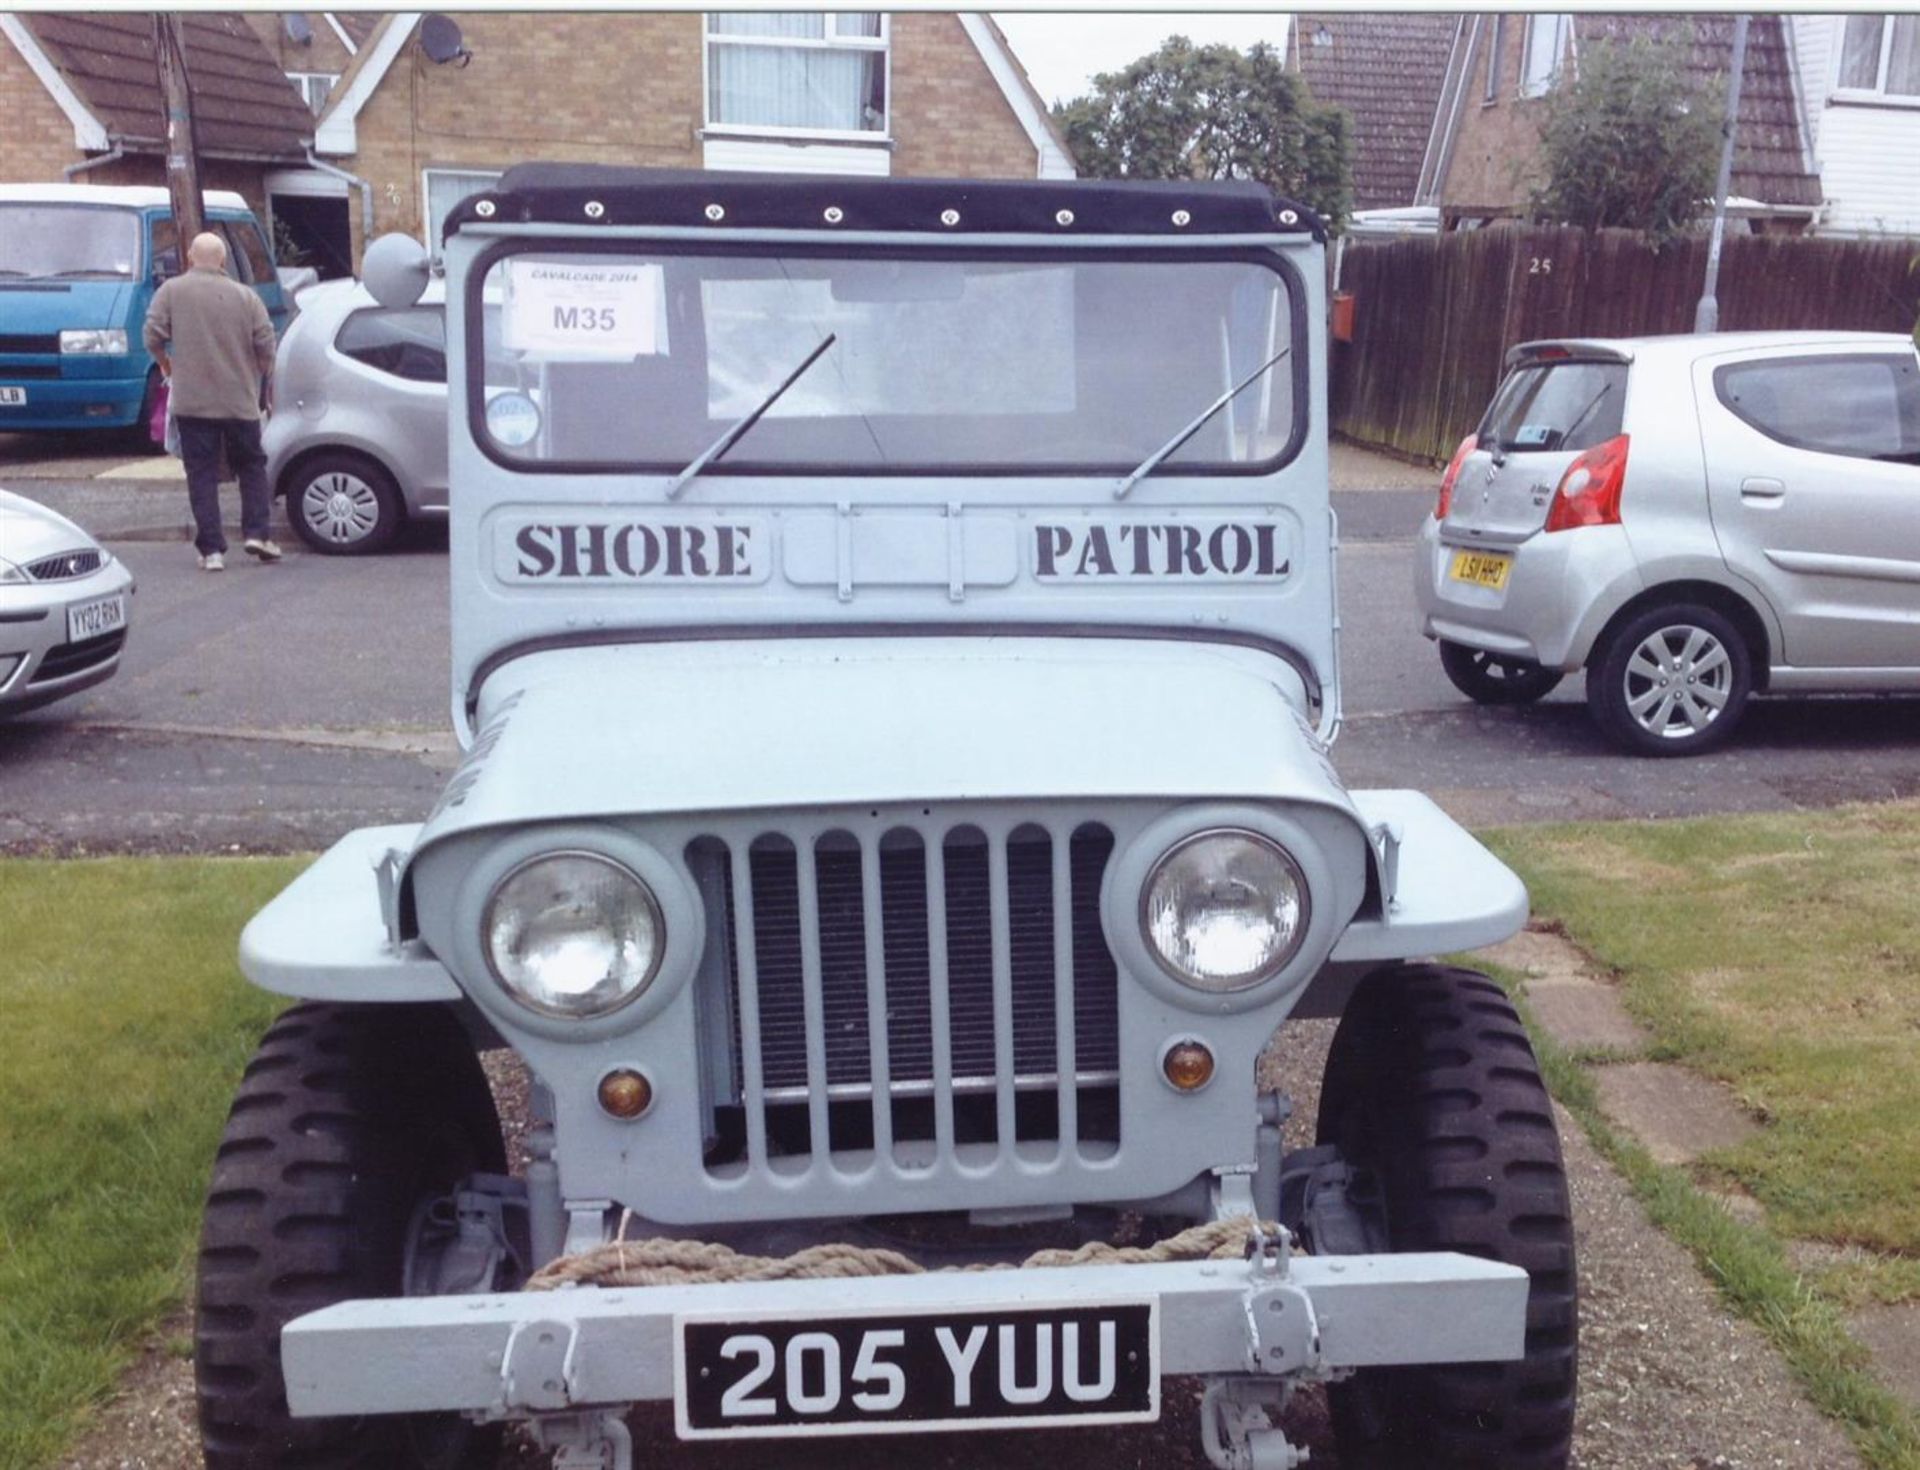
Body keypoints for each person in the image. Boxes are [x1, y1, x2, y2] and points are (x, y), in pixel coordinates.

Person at [142, 230, 282, 572]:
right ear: (222, 260)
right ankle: (257, 534)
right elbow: (267, 346)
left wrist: (166, 363)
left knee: (201, 474)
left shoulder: (171, 291)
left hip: (192, 402)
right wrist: (258, 378)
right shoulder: (246, 297)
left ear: (190, 257)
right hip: (239, 401)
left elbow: (151, 335)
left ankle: (212, 550)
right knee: (251, 466)